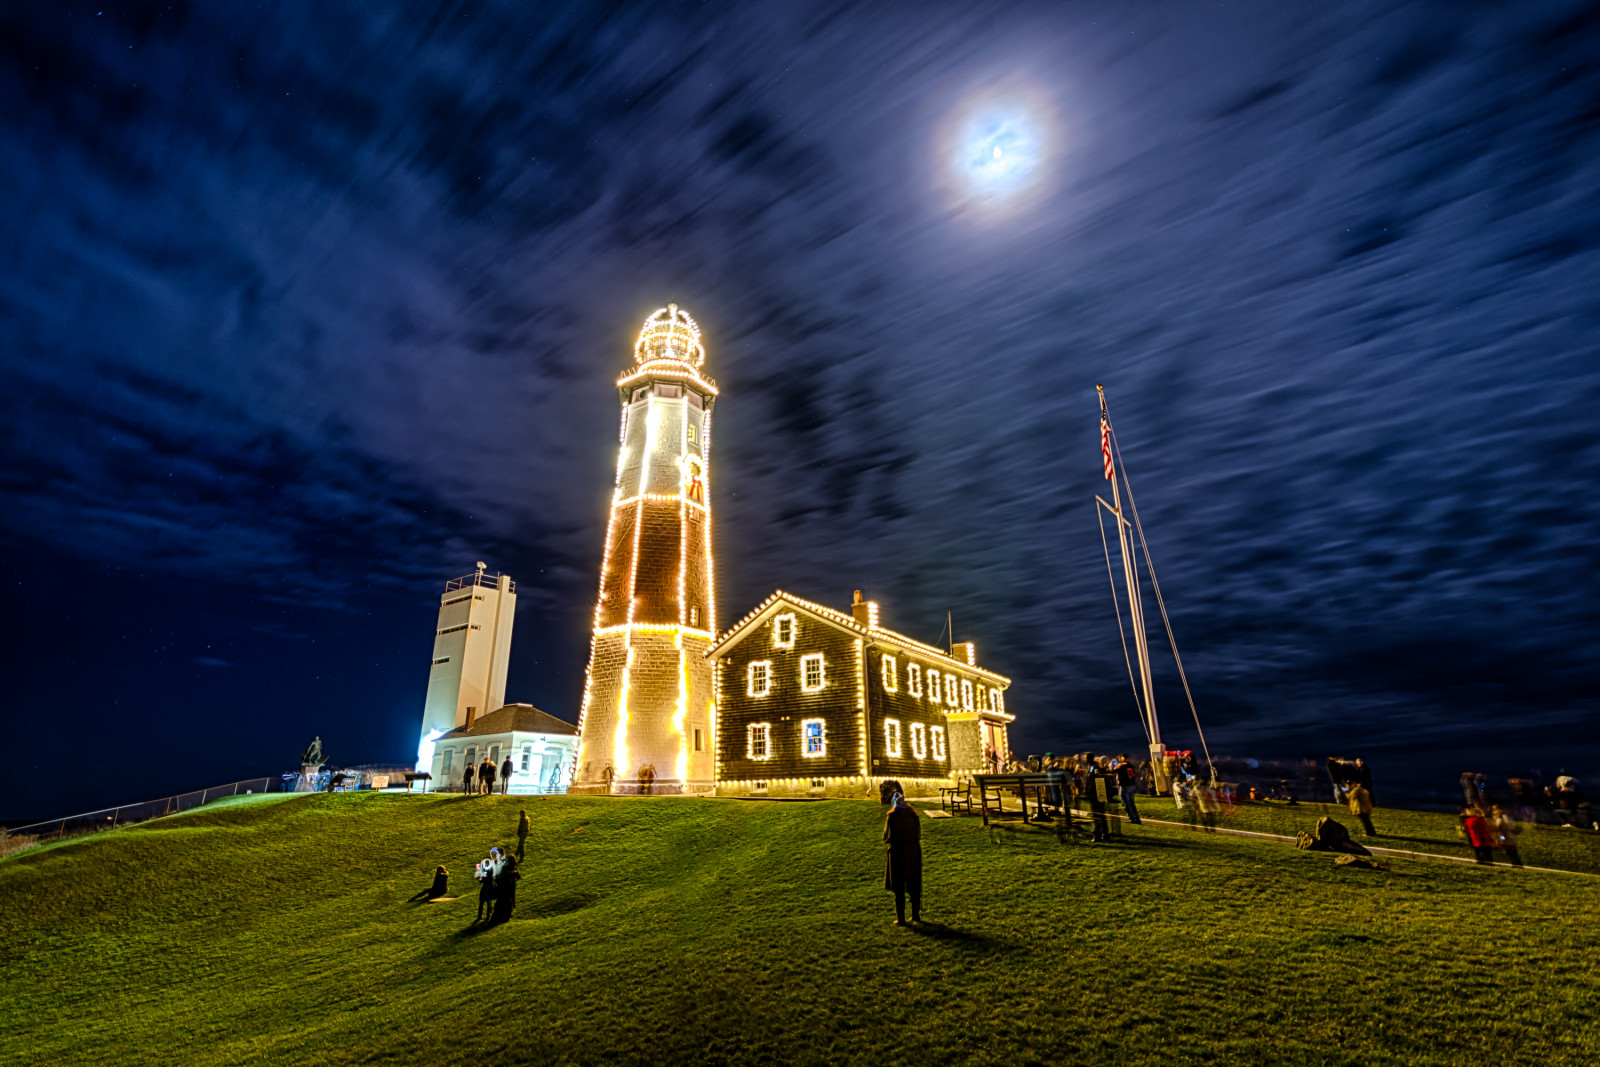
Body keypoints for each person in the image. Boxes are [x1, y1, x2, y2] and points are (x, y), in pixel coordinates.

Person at [883, 792, 922, 925]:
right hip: (913, 852)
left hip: (898, 852)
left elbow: (887, 837)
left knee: (899, 886)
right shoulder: (914, 815)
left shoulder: (892, 817)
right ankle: (915, 915)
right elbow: (918, 834)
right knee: (914, 883)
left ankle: (901, 919)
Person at [491, 854, 520, 923]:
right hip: (506, 889)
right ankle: (502, 916)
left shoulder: (508, 869)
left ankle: (500, 916)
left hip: (505, 888)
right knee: (505, 902)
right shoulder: (510, 869)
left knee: (502, 902)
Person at [1114, 754, 1142, 825]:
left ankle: (1132, 818)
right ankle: (1137, 818)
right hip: (1132, 785)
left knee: (1126, 803)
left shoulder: (1121, 766)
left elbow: (1113, 771)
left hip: (1125, 785)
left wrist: (1115, 766)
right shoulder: (1130, 765)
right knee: (1132, 803)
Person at [475, 849, 501, 921]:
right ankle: (488, 916)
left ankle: (480, 916)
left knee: (482, 902)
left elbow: (481, 880)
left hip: (486, 887)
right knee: (489, 902)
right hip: (492, 887)